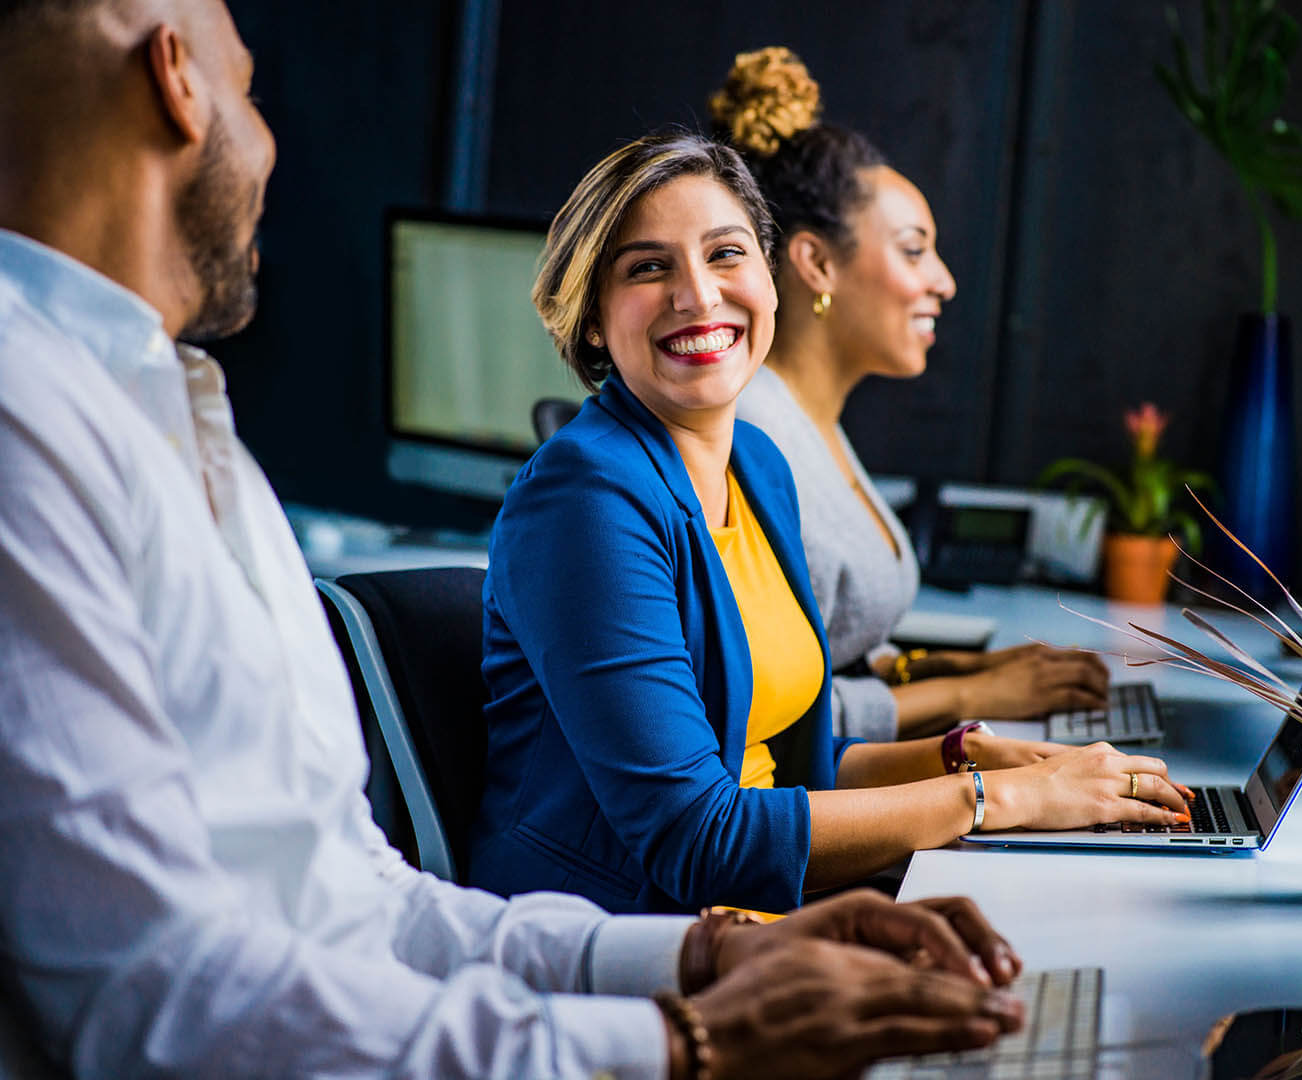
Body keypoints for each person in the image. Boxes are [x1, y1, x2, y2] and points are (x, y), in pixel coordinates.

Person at [0, 1, 1031, 1076]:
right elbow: (153, 996)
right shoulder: (28, 419)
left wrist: (699, 963)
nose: (268, 145)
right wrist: (684, 1038)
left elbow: (362, 903)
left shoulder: (178, 419)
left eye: (727, 254)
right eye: (251, 92)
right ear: (176, 78)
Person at [472, 130, 1189, 918]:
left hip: (763, 917)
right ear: (595, 321)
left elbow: (791, 771)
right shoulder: (585, 500)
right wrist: (996, 797)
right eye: (649, 268)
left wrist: (964, 755)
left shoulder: (756, 463)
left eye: (725, 254)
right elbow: (697, 838)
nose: (699, 295)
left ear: (771, 278)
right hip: (628, 944)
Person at [716, 47, 1113, 744]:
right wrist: (970, 693)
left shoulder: (812, 424)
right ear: (816, 262)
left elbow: (827, 651)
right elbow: (765, 720)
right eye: (912, 249)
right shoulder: (752, 438)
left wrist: (957, 666)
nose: (944, 281)